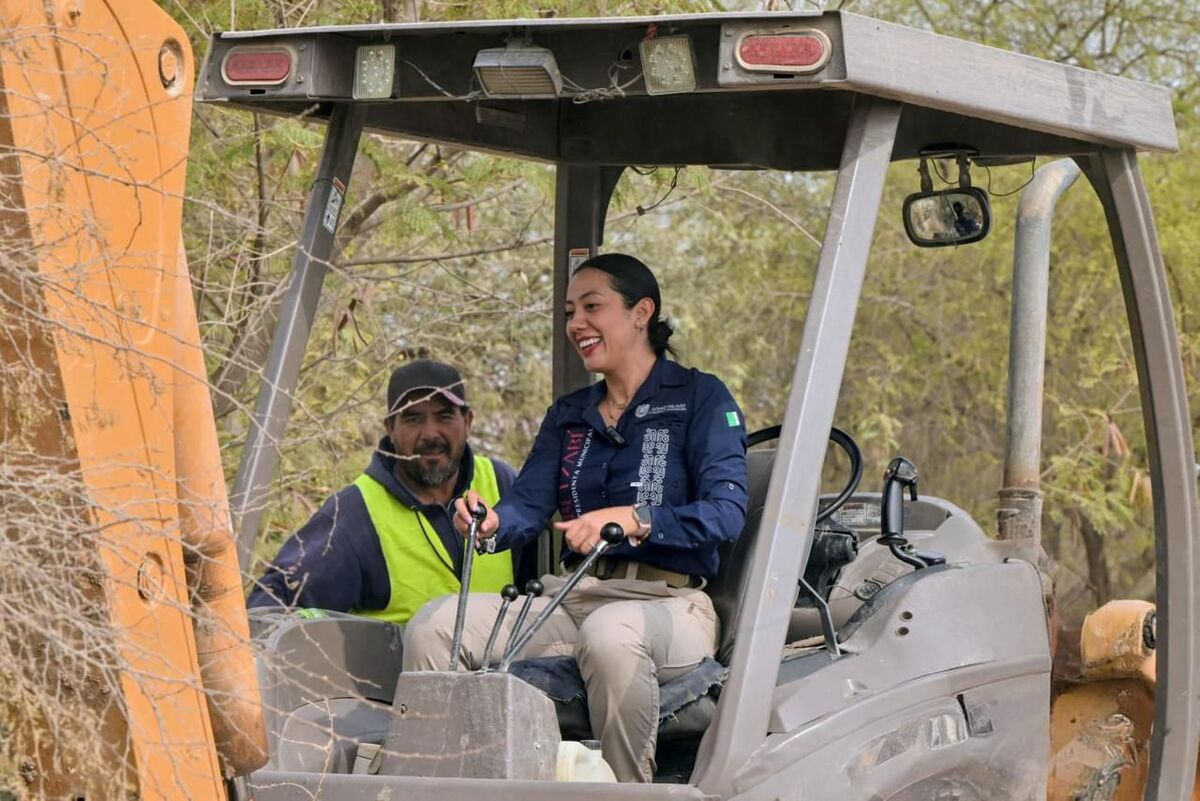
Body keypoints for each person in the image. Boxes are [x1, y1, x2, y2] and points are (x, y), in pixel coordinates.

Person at [402, 254, 748, 782]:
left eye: (591, 307)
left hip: (670, 603)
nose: (576, 324)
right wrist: (488, 521)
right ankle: (433, 784)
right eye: (569, 312)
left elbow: (726, 513)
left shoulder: (700, 397)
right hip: (572, 598)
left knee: (611, 634)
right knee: (434, 625)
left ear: (641, 313)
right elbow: (526, 506)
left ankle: (627, 792)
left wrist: (636, 518)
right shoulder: (569, 414)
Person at [247, 359, 533, 624]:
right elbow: (272, 608)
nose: (430, 433)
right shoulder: (355, 514)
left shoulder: (503, 484)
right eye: (413, 418)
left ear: (468, 421)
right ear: (390, 428)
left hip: (507, 663)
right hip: (403, 666)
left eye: (444, 416)